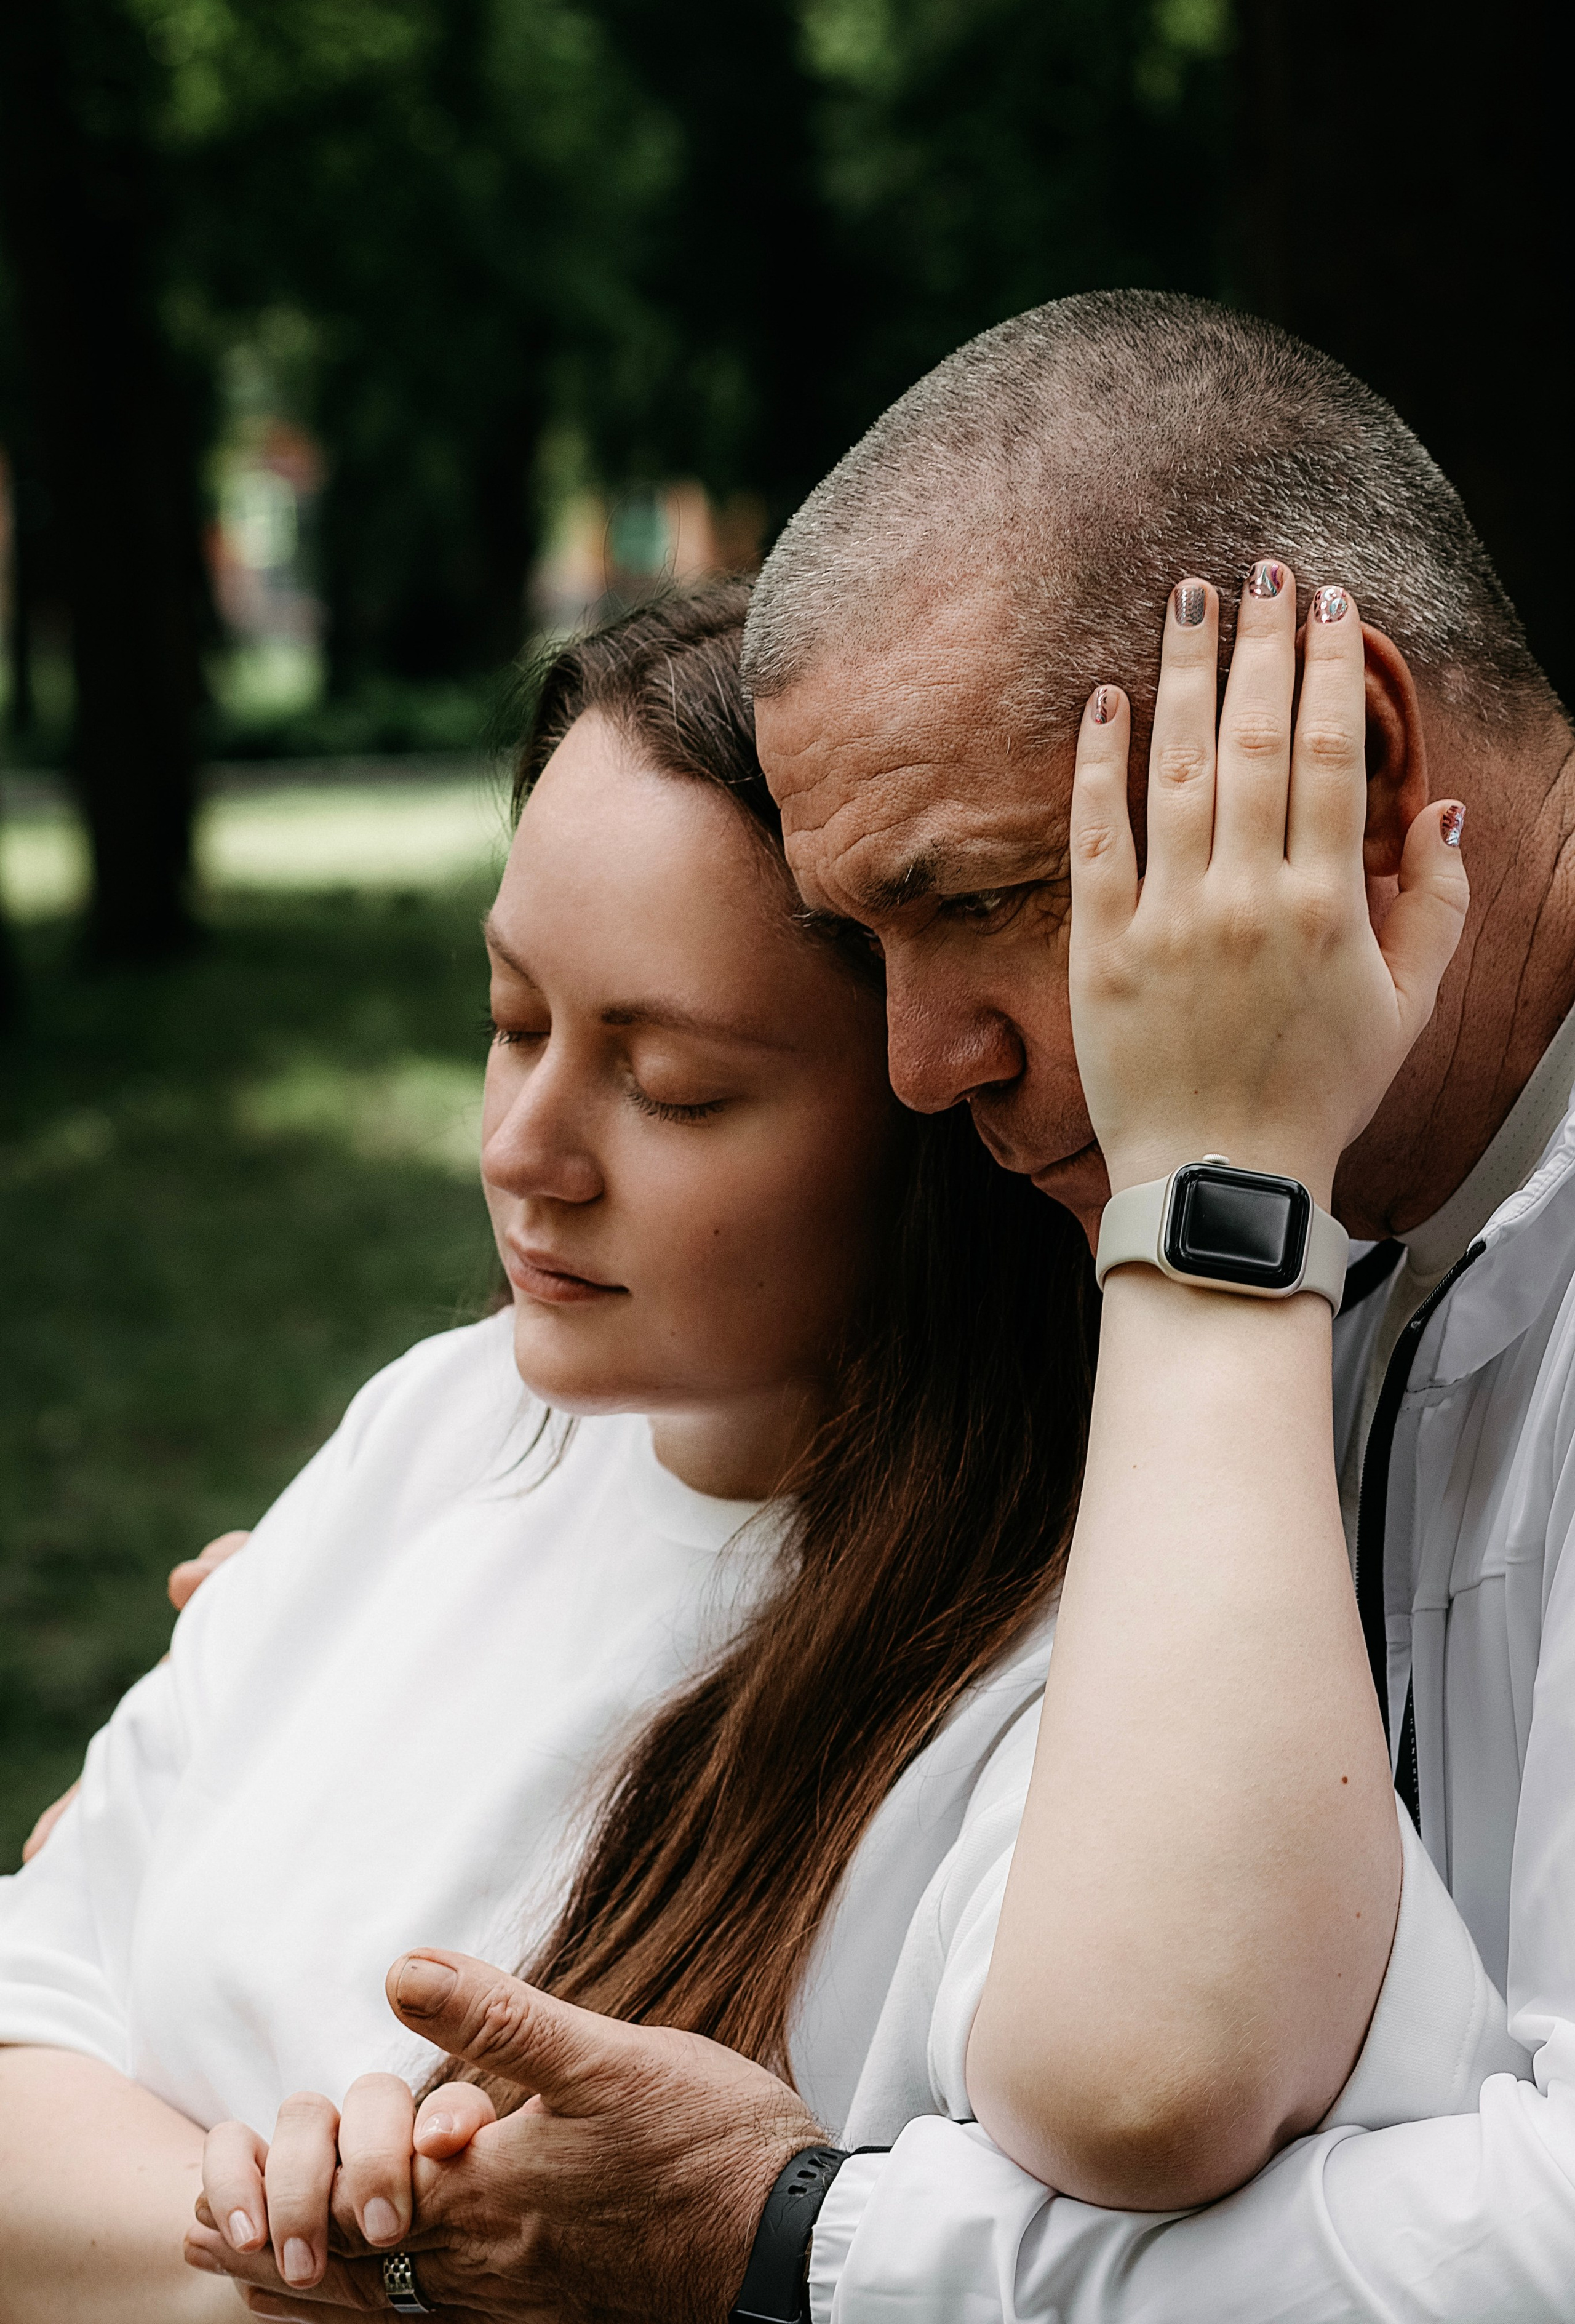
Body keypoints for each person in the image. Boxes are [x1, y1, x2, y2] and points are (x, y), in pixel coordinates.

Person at [180, 291, 1575, 2324]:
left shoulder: (1249, 1187)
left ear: (1343, 774)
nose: (921, 1063)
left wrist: (794, 2245)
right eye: (863, 942)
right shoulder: (1319, 1194)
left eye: (983, 899)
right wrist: (358, 1654)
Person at [0, 583, 1102, 2323]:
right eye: (514, 1019)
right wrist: (330, 2287)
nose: (524, 1152)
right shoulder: (444, 1420)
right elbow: (25, 2016)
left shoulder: (1058, 1706)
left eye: (667, 1084)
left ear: (944, 1112)